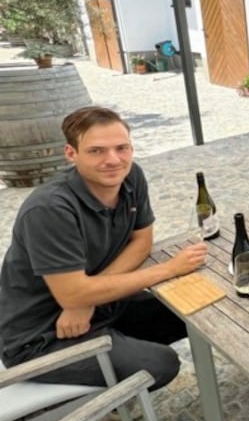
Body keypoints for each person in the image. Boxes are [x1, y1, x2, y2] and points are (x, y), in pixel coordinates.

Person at [0, 106, 207, 390]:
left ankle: (116, 357)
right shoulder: (49, 209)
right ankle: (104, 401)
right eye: (96, 151)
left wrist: (87, 300)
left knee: (193, 313)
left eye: (122, 148)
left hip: (96, 308)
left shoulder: (131, 177)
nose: (113, 160)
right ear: (71, 154)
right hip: (42, 337)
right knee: (161, 364)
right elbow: (72, 292)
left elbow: (142, 241)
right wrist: (169, 269)